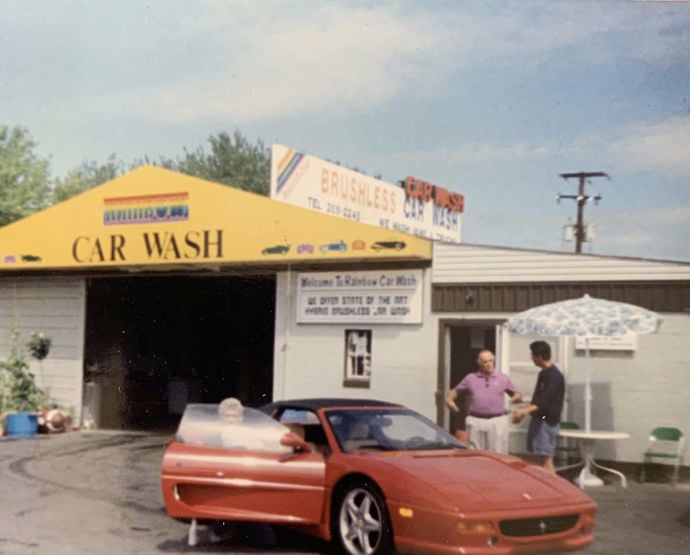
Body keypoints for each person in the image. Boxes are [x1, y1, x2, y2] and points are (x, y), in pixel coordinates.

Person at [445, 349, 522, 453]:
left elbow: (516, 394)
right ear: (479, 362)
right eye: (485, 362)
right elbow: (454, 391)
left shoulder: (502, 378)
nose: (489, 364)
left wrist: (515, 398)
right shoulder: (470, 378)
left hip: (496, 421)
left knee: (497, 453)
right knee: (475, 453)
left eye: (490, 361)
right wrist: (449, 401)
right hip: (476, 421)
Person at [511, 340, 565, 474]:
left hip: (547, 422)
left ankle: (553, 488)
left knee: (546, 458)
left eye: (532, 355)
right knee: (538, 457)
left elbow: (544, 402)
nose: (531, 358)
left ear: (539, 357)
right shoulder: (543, 374)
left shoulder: (555, 376)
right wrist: (523, 414)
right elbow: (536, 400)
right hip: (538, 420)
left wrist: (523, 411)